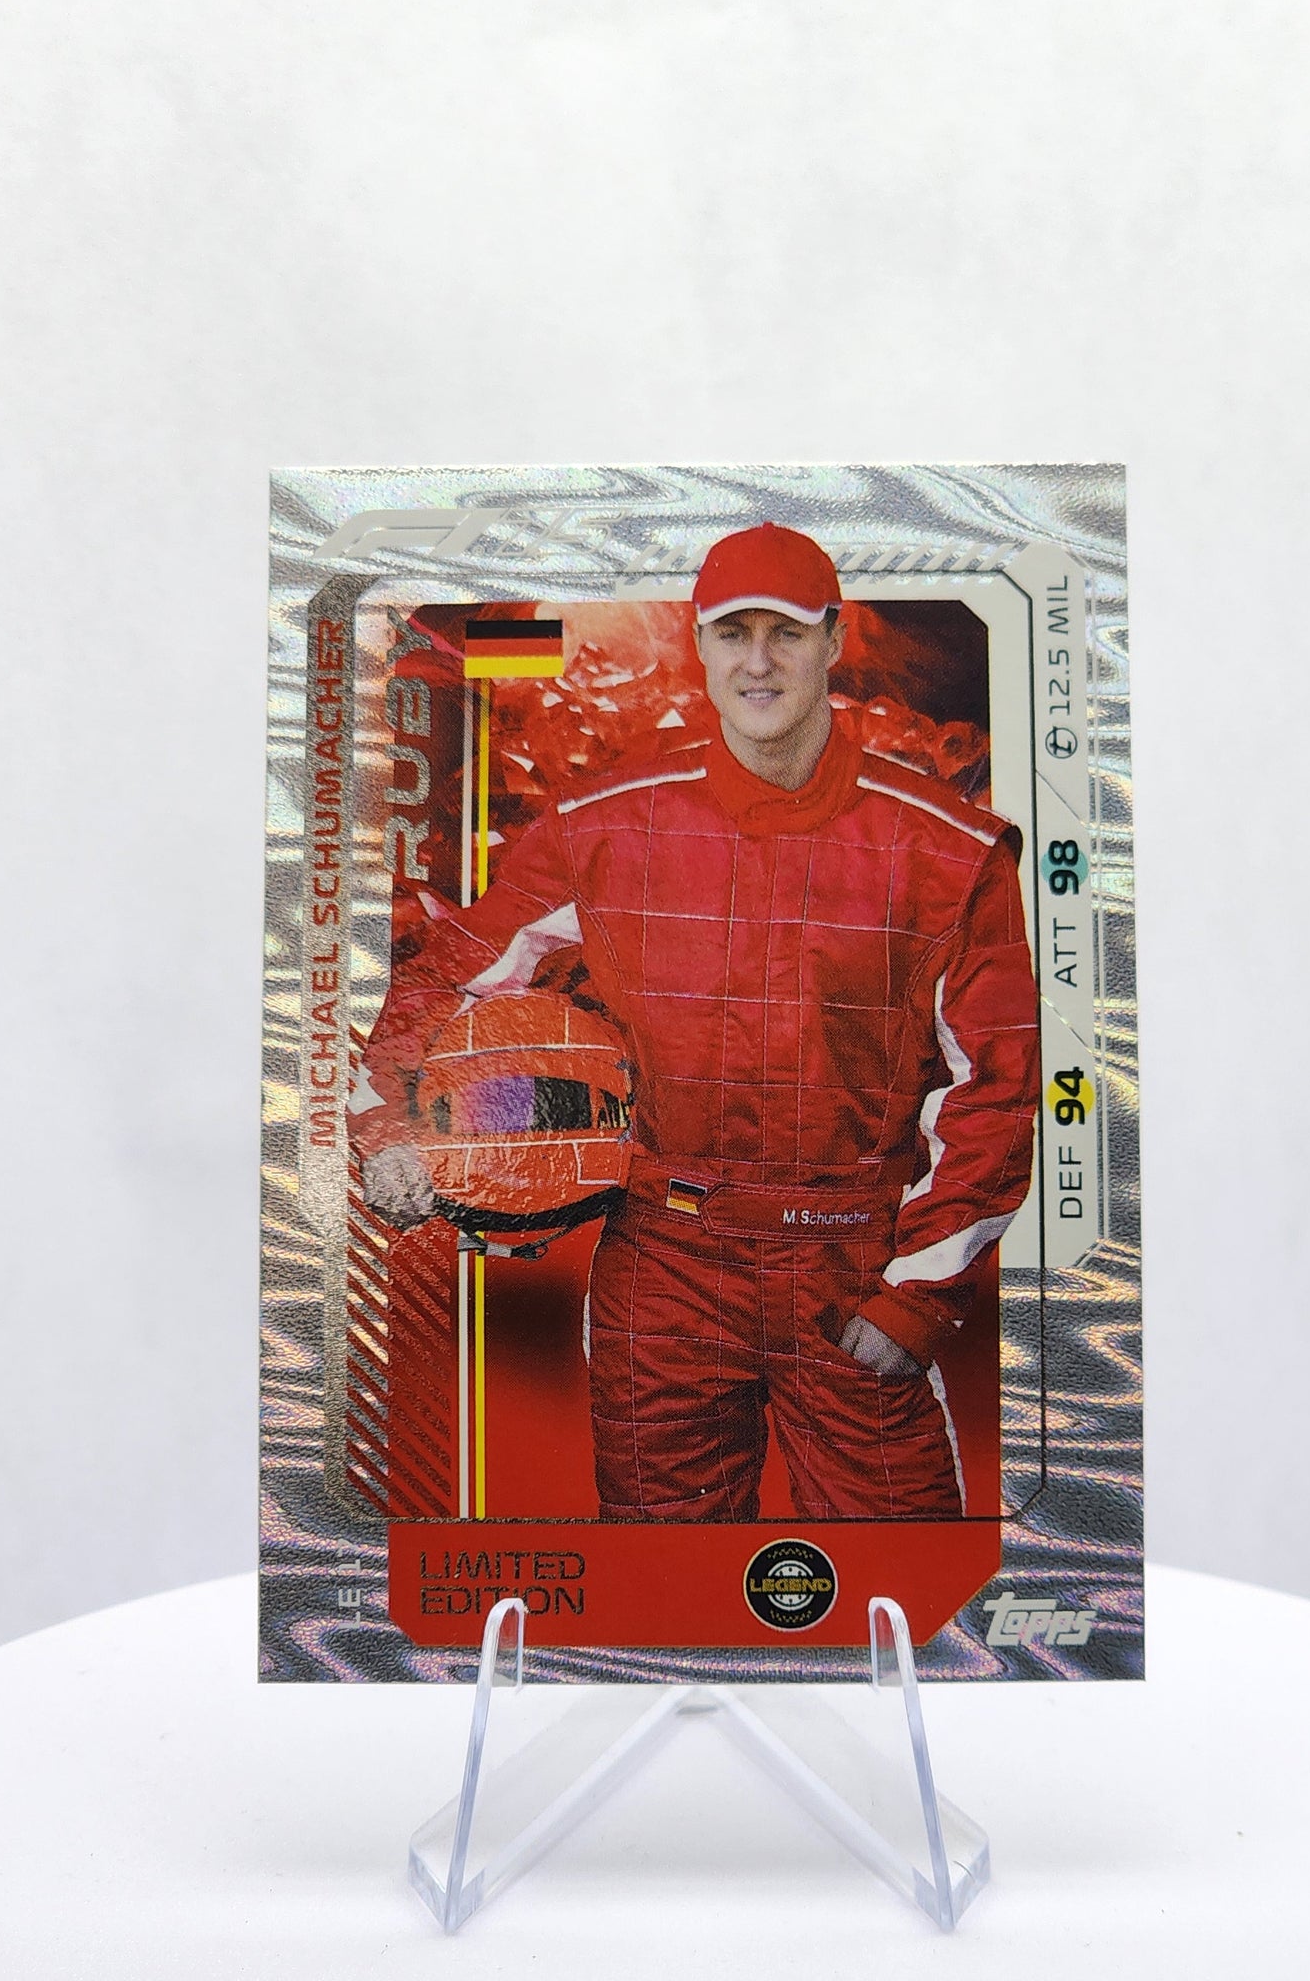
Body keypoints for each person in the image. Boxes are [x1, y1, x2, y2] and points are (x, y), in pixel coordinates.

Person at [352, 522, 1041, 1523]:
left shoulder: (948, 849)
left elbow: (999, 1088)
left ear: (835, 638)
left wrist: (917, 1296)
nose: (758, 662)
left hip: (852, 1264)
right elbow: (450, 974)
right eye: (732, 633)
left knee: (905, 1577)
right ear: (699, 643)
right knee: (660, 1579)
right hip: (663, 1272)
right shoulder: (605, 823)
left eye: (786, 632)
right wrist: (393, 1129)